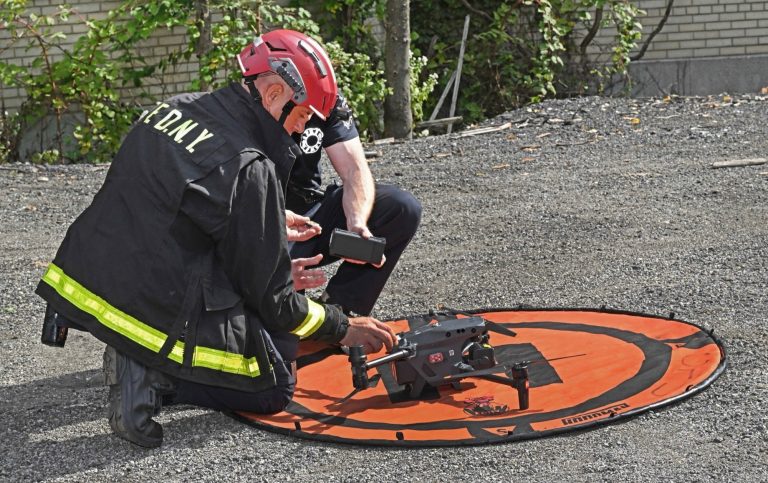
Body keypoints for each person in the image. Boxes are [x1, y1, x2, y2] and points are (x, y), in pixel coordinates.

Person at [35, 29, 397, 448]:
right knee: (273, 385)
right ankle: (154, 371)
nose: (300, 134)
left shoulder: (173, 109)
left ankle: (140, 354)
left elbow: (180, 201)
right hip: (154, 306)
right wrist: (340, 327)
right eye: (301, 118)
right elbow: (274, 301)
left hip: (93, 280)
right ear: (276, 92)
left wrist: (267, 219)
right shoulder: (252, 166)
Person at [285, 92, 422, 317]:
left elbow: (354, 170)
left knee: (401, 208)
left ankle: (337, 307)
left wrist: (357, 221)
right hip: (264, 219)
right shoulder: (248, 106)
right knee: (283, 324)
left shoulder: (325, 97)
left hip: (309, 215)